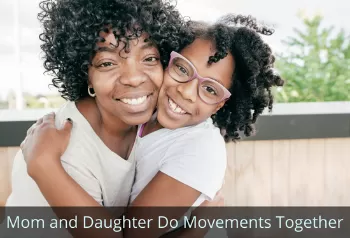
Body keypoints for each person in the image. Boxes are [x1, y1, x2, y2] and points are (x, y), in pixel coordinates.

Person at [16, 10, 284, 238]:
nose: (187, 92)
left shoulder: (200, 149)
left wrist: (44, 165)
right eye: (182, 69)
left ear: (221, 104)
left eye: (211, 90)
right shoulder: (141, 117)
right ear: (169, 60)